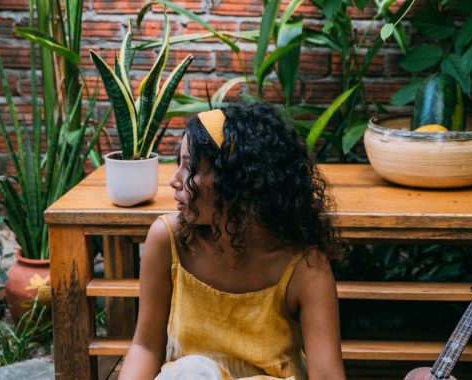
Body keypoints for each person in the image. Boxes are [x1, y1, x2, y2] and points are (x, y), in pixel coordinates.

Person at [118, 103, 346, 380]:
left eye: (189, 167)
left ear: (239, 180)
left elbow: (327, 375)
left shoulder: (304, 266)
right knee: (191, 372)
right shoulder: (168, 238)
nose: (174, 180)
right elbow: (145, 347)